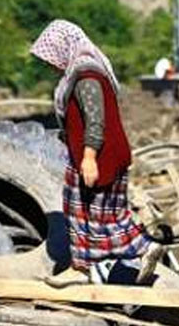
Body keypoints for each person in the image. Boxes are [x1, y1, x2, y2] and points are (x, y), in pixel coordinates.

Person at [30, 20, 163, 287]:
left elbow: (96, 120)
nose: (51, 65)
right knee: (97, 214)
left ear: (63, 48)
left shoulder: (86, 77)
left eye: (51, 57)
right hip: (105, 155)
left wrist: (89, 157)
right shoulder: (86, 72)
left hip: (97, 157)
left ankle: (139, 248)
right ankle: (84, 268)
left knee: (91, 216)